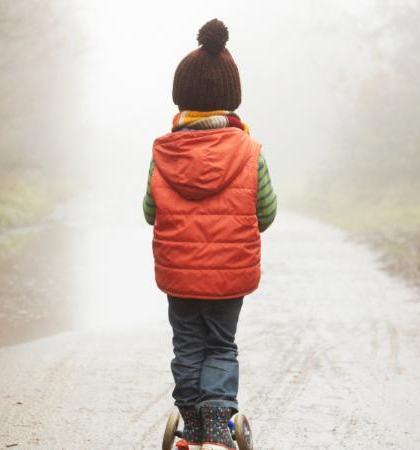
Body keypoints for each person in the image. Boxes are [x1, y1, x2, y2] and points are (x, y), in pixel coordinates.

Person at [142, 18, 277, 450]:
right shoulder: (249, 152)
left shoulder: (163, 151)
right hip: (228, 274)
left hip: (180, 274)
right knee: (220, 343)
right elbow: (266, 212)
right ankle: (219, 426)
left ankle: (192, 424)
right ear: (232, 99)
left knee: (187, 345)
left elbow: (150, 211)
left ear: (181, 97)